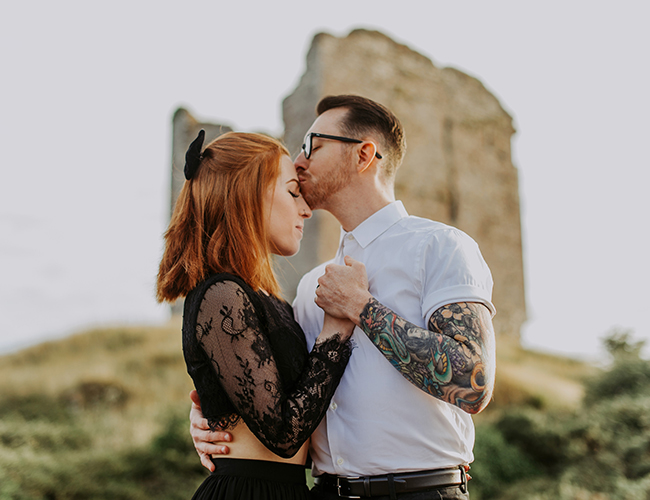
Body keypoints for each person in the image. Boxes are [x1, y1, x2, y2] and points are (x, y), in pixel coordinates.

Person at [190, 95, 497, 499]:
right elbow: (272, 383)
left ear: (364, 155)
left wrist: (360, 307)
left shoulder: (439, 247)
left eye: (312, 146)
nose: (298, 163)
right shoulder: (309, 286)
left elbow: (473, 385)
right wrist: (212, 414)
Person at [156, 130, 357, 500]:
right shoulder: (221, 296)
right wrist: (337, 329)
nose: (306, 210)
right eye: (293, 191)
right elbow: (282, 433)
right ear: (248, 195)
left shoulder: (274, 302)